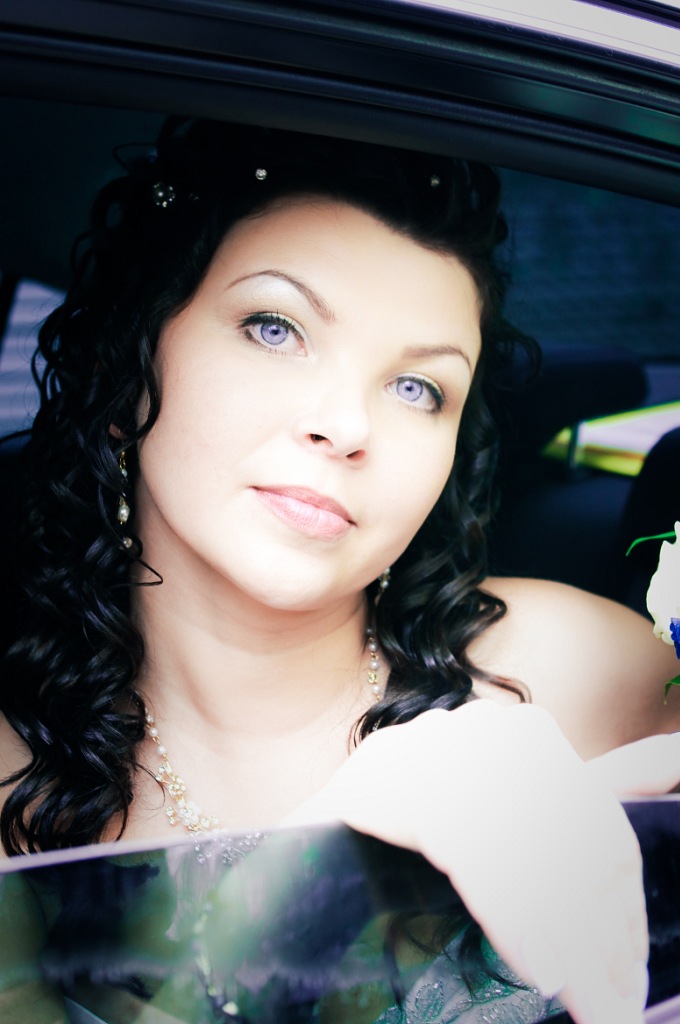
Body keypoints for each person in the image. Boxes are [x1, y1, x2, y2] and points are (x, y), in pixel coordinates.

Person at [1, 117, 679, 1024]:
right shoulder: (14, 780)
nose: (348, 426)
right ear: (129, 364)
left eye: (418, 388)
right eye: (275, 328)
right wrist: (311, 889)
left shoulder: (574, 666)